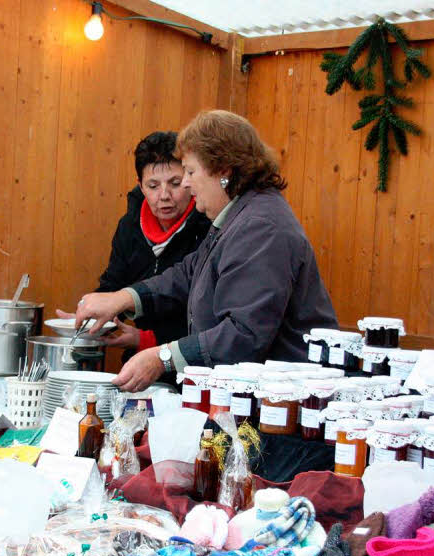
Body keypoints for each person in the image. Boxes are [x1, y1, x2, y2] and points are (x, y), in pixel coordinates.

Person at [75, 110, 338, 392]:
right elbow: (188, 273)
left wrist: (162, 357)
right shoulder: (238, 214)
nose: (186, 183)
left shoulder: (261, 227)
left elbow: (243, 334)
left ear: (223, 171)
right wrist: (123, 297)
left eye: (189, 171)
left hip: (284, 404)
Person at [85, 131, 211, 354]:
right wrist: (91, 315)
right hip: (138, 362)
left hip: (191, 362)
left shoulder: (207, 227)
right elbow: (114, 285)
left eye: (175, 183)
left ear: (190, 180)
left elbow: (207, 314)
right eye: (153, 186)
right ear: (140, 186)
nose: (164, 195)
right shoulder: (130, 225)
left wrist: (149, 339)